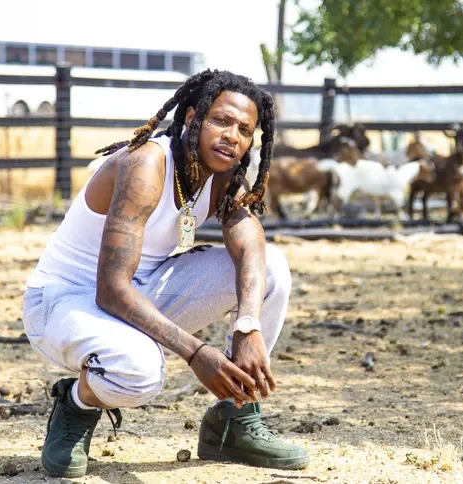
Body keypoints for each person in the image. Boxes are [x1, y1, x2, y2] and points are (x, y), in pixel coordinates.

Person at [22, 69, 309, 478]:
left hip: (141, 290)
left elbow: (249, 243)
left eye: (245, 129)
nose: (232, 136)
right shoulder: (146, 164)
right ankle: (77, 403)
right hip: (64, 303)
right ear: (192, 118)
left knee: (271, 268)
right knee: (140, 373)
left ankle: (232, 419)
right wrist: (196, 353)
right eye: (221, 121)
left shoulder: (222, 172)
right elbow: (111, 289)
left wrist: (247, 325)